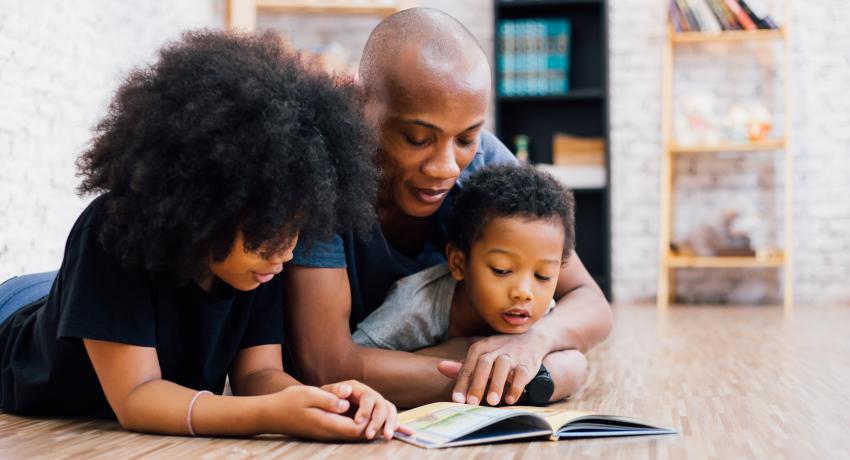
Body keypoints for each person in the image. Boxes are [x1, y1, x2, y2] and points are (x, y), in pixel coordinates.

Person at [0, 30, 407, 441]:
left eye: (297, 229)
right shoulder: (111, 230)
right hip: (13, 316)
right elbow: (137, 396)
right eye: (268, 231)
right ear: (204, 203)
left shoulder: (260, 261)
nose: (285, 252)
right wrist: (270, 415)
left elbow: (259, 374)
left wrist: (328, 403)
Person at [283, 8, 613, 408]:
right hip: (360, 378)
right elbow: (326, 366)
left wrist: (534, 342)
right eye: (418, 138)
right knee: (568, 368)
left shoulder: (485, 161)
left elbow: (589, 300)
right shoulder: (321, 176)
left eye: (466, 137)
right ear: (360, 106)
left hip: (406, 375)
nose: (445, 167)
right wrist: (511, 377)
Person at [352, 165, 588, 404]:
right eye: (502, 270)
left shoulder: (540, 310)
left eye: (543, 276)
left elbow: (577, 364)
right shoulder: (415, 306)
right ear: (458, 264)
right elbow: (352, 361)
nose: (524, 293)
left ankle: (515, 390)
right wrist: (459, 350)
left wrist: (529, 356)